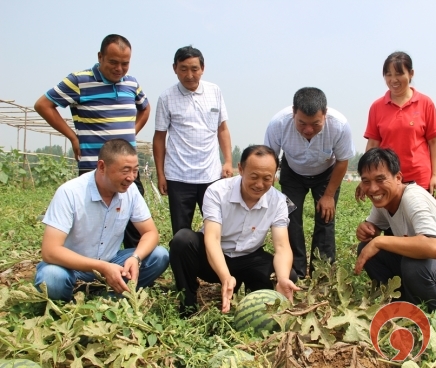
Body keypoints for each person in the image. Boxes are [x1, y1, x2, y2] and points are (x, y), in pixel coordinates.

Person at [34, 34, 150, 249]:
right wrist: (72, 136)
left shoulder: (131, 83)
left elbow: (145, 108)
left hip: (128, 168)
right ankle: (91, 271)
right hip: (94, 167)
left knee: (134, 224)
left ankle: (132, 271)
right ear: (100, 57)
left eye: (125, 63)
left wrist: (131, 133)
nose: (119, 69)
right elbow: (43, 105)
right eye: (113, 62)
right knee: (94, 226)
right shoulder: (79, 81)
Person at [169, 145, 300, 317]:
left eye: (267, 178)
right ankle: (188, 304)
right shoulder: (217, 191)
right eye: (254, 177)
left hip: (249, 258)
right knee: (182, 241)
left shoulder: (279, 201)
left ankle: (253, 299)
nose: (260, 184)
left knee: (287, 274)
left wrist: (282, 278)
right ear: (240, 169)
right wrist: (225, 276)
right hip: (214, 258)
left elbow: (282, 247)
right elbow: (212, 239)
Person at [34, 139, 169, 301]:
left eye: (135, 170)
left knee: (159, 255)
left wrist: (135, 258)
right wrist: (102, 267)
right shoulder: (70, 193)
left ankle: (108, 296)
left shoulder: (131, 191)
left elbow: (150, 233)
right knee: (52, 277)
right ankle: (72, 298)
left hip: (112, 261)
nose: (131, 177)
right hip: (71, 266)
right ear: (102, 167)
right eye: (125, 170)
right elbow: (50, 251)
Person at [354, 148, 436, 312]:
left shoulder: (413, 197)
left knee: (413, 264)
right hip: (427, 275)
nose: (373, 189)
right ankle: (399, 302)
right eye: (366, 181)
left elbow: (433, 247)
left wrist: (380, 240)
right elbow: (372, 228)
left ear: (398, 178)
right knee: (367, 249)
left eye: (380, 179)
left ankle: (430, 317)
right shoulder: (384, 200)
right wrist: (366, 230)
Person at [264, 87, 355, 278]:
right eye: (302, 123)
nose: (308, 130)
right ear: (293, 112)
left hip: (326, 173)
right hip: (292, 173)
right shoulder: (278, 123)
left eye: (315, 124)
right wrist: (268, 194)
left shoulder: (339, 125)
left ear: (325, 114)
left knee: (325, 219)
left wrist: (329, 195)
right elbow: (269, 160)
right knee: (290, 218)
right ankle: (295, 271)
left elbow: (342, 160)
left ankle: (322, 273)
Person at [154, 46, 233, 236]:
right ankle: (184, 266)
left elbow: (222, 129)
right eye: (183, 69)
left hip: (211, 174)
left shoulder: (214, 91)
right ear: (175, 68)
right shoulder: (166, 98)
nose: (189, 75)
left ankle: (211, 265)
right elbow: (159, 138)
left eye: (194, 69)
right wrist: (161, 174)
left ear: (202, 68)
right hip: (178, 176)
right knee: (181, 232)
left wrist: (228, 161)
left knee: (216, 227)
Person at [356, 51, 436, 202]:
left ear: (411, 74)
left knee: (418, 223)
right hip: (387, 180)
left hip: (419, 180)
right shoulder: (377, 107)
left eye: (398, 74)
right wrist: (367, 177)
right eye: (388, 74)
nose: (393, 80)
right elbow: (373, 144)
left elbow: (435, 142)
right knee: (390, 224)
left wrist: (435, 176)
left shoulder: (425, 103)